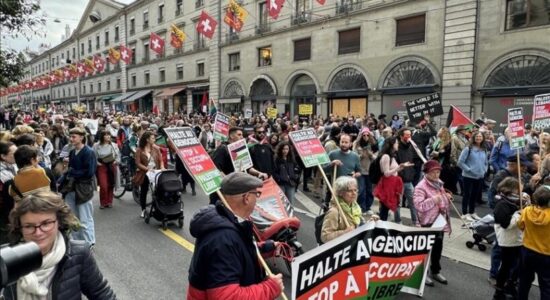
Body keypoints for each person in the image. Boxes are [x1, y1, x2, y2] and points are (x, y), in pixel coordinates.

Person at [187, 172, 283, 299]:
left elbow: (238, 251)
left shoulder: (228, 221)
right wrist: (270, 288)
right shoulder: (223, 238)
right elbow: (226, 297)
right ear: (247, 198)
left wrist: (266, 247)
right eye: (257, 194)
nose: (257, 199)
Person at [3, 191, 116, 299]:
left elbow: (101, 293)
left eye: (46, 223)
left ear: (59, 222)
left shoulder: (78, 253)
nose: (38, 232)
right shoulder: (6, 261)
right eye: (29, 226)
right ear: (20, 228)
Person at [413, 160, 452, 287]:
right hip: (427, 222)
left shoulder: (439, 184)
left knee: (437, 248)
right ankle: (422, 274)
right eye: (433, 172)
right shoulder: (420, 186)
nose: (436, 174)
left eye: (438, 171)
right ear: (426, 173)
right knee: (425, 250)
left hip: (439, 221)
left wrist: (447, 197)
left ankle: (435, 271)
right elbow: (419, 206)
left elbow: (442, 201)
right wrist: (433, 200)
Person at [63, 127, 98, 246]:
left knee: (85, 218)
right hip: (71, 188)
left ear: (82, 137)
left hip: (83, 189)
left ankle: (89, 242)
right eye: (70, 136)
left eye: (74, 137)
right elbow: (70, 170)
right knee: (73, 217)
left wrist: (72, 172)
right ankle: (77, 242)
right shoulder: (72, 152)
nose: (71, 139)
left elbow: (90, 172)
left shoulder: (89, 152)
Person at [492, 178, 525, 300]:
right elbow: (506, 225)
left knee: (516, 264)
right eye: (519, 188)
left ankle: (510, 285)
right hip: (507, 241)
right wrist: (519, 214)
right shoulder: (502, 203)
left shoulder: (513, 200)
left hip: (516, 239)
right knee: (506, 266)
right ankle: (499, 291)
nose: (522, 189)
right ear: (512, 188)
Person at [321, 176, 378, 243]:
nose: (354, 193)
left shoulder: (356, 208)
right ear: (340, 193)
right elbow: (325, 237)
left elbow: (359, 228)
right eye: (350, 191)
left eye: (355, 190)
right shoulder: (334, 212)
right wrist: (344, 233)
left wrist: (370, 223)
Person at [517, 184, 550, 299]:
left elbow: (520, 226)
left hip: (527, 251)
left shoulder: (527, 210)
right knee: (546, 285)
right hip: (546, 255)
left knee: (524, 281)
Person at [374, 136, 411, 223]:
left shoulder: (392, 156)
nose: (398, 145)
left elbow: (393, 171)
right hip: (387, 185)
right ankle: (382, 226)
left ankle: (383, 224)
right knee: (385, 208)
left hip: (392, 184)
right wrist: (399, 167)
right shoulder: (386, 156)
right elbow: (386, 173)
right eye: (396, 143)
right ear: (392, 144)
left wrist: (402, 166)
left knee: (386, 207)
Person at [457, 132, 488, 221]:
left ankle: (472, 212)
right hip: (468, 176)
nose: (479, 138)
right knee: (467, 195)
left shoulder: (484, 149)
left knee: (474, 195)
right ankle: (464, 213)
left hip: (480, 177)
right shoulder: (468, 149)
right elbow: (460, 162)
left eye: (480, 136)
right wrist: (469, 170)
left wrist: (484, 170)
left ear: (483, 138)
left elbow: (486, 162)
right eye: (477, 136)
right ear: (474, 138)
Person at [134, 131, 164, 218]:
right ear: (147, 139)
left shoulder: (156, 148)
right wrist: (147, 169)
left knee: (157, 191)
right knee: (144, 191)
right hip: (145, 173)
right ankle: (143, 210)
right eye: (152, 138)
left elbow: (161, 160)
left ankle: (157, 208)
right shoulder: (139, 149)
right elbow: (138, 163)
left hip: (156, 172)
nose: (154, 139)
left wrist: (162, 167)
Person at [396, 128, 419, 225]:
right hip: (399, 180)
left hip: (409, 180)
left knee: (413, 202)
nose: (409, 137)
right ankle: (398, 221)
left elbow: (415, 159)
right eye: (407, 135)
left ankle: (415, 221)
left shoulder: (412, 147)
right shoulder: (396, 148)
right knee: (398, 203)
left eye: (410, 135)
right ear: (401, 136)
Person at [352, 127, 378, 215]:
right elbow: (354, 156)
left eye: (367, 135)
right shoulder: (357, 144)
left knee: (369, 190)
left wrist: (371, 155)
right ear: (361, 135)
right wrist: (361, 156)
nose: (366, 136)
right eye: (364, 135)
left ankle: (368, 207)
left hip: (370, 170)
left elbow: (377, 158)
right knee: (361, 190)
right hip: (360, 170)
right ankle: (362, 208)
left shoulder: (373, 144)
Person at [93, 130, 120, 209]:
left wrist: (116, 161)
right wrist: (97, 163)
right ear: (102, 136)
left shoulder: (114, 145)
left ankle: (109, 201)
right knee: (103, 185)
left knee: (111, 184)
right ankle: (103, 202)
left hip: (112, 166)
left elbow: (118, 156)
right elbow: (93, 156)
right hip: (102, 166)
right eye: (106, 135)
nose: (108, 137)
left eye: (109, 135)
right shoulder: (96, 145)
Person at [0, 141, 17, 244]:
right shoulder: (3, 173)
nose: (18, 155)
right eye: (14, 153)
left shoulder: (12, 166)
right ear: (3, 156)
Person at [450, 125, 469, 195]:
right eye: (464, 130)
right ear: (460, 131)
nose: (465, 131)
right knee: (461, 177)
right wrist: (455, 161)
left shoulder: (464, 138)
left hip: (464, 160)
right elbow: (453, 150)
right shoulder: (455, 138)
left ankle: (456, 190)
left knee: (460, 177)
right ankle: (463, 191)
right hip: (458, 160)